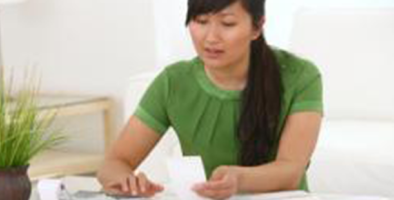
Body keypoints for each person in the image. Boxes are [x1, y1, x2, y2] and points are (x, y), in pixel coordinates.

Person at [97, 0, 323, 199]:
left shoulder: (300, 76)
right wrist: (127, 182)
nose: (211, 37)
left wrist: (239, 180)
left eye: (227, 24)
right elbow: (114, 163)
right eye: (201, 21)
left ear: (257, 27)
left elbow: (291, 171)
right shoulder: (173, 82)